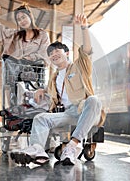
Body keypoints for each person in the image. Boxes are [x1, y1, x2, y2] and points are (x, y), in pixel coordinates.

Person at [11, 13, 106, 166]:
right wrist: (40, 91)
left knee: (94, 100)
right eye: (50, 54)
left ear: (66, 53)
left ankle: (73, 146)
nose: (53, 54)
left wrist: (84, 28)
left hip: (87, 111)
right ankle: (38, 151)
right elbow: (49, 96)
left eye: (57, 51)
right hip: (70, 113)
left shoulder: (79, 66)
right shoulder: (54, 78)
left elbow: (87, 50)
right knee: (41, 118)